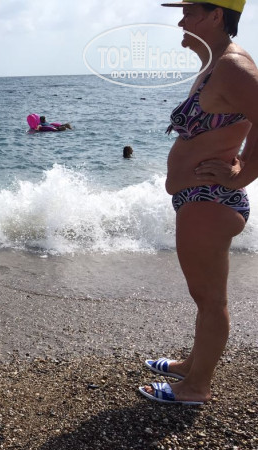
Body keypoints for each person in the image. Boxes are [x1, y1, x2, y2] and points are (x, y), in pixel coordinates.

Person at [140, 0, 258, 405]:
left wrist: (244, 173)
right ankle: (193, 364)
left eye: (189, 12)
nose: (180, 21)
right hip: (201, 199)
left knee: (211, 299)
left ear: (215, 15)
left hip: (210, 201)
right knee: (202, 295)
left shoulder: (232, 66)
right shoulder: (216, 65)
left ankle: (196, 387)